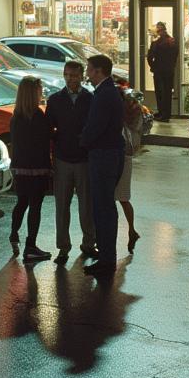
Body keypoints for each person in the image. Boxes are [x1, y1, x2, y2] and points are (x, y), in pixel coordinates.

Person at [45, 60, 97, 266]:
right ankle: (63, 247)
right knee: (62, 206)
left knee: (86, 205)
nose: (70, 79)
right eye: (66, 75)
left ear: (81, 76)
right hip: (63, 158)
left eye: (74, 75)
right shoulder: (56, 100)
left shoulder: (89, 99)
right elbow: (49, 127)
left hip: (83, 158)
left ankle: (88, 243)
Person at [79, 54, 125, 278]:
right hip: (111, 153)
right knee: (106, 208)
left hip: (103, 155)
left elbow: (95, 126)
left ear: (98, 71)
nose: (87, 73)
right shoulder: (111, 91)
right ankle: (107, 256)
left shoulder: (103, 94)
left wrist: (82, 142)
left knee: (103, 208)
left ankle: (107, 260)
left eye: (89, 69)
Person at [8, 76, 52, 264]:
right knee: (36, 206)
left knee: (22, 202)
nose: (41, 93)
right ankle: (31, 245)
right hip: (37, 167)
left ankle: (14, 234)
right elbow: (45, 141)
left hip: (20, 167)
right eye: (39, 90)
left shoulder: (16, 116)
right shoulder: (38, 116)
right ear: (33, 93)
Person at [115, 90, 143, 253]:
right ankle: (131, 230)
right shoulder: (133, 111)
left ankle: (129, 231)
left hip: (120, 156)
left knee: (114, 199)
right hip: (127, 155)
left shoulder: (121, 113)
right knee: (124, 198)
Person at [146, 21, 178, 121]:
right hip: (169, 71)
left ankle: (162, 113)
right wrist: (172, 66)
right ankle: (166, 114)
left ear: (159, 31)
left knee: (160, 93)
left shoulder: (156, 43)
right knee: (167, 93)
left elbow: (150, 57)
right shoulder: (172, 41)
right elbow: (175, 56)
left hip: (159, 71)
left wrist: (153, 67)